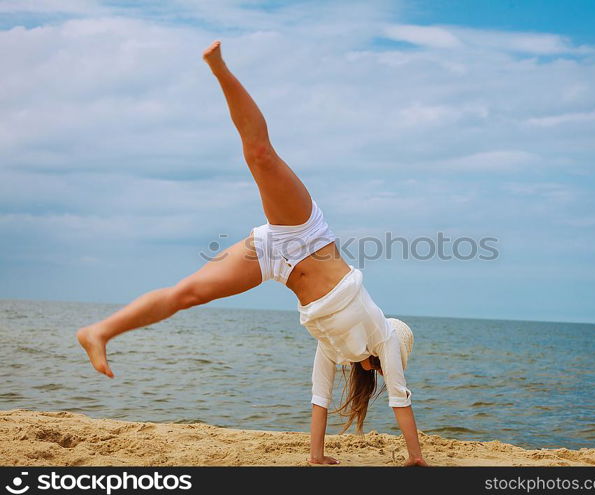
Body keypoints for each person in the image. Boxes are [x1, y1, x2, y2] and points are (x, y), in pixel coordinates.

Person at [76, 41, 427, 467]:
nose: (391, 369)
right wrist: (416, 459)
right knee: (260, 155)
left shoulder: (341, 348)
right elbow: (400, 399)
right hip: (306, 236)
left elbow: (319, 395)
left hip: (273, 261)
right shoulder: (383, 335)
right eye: (394, 365)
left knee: (187, 294)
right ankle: (220, 68)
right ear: (392, 358)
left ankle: (100, 331)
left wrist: (316, 457)